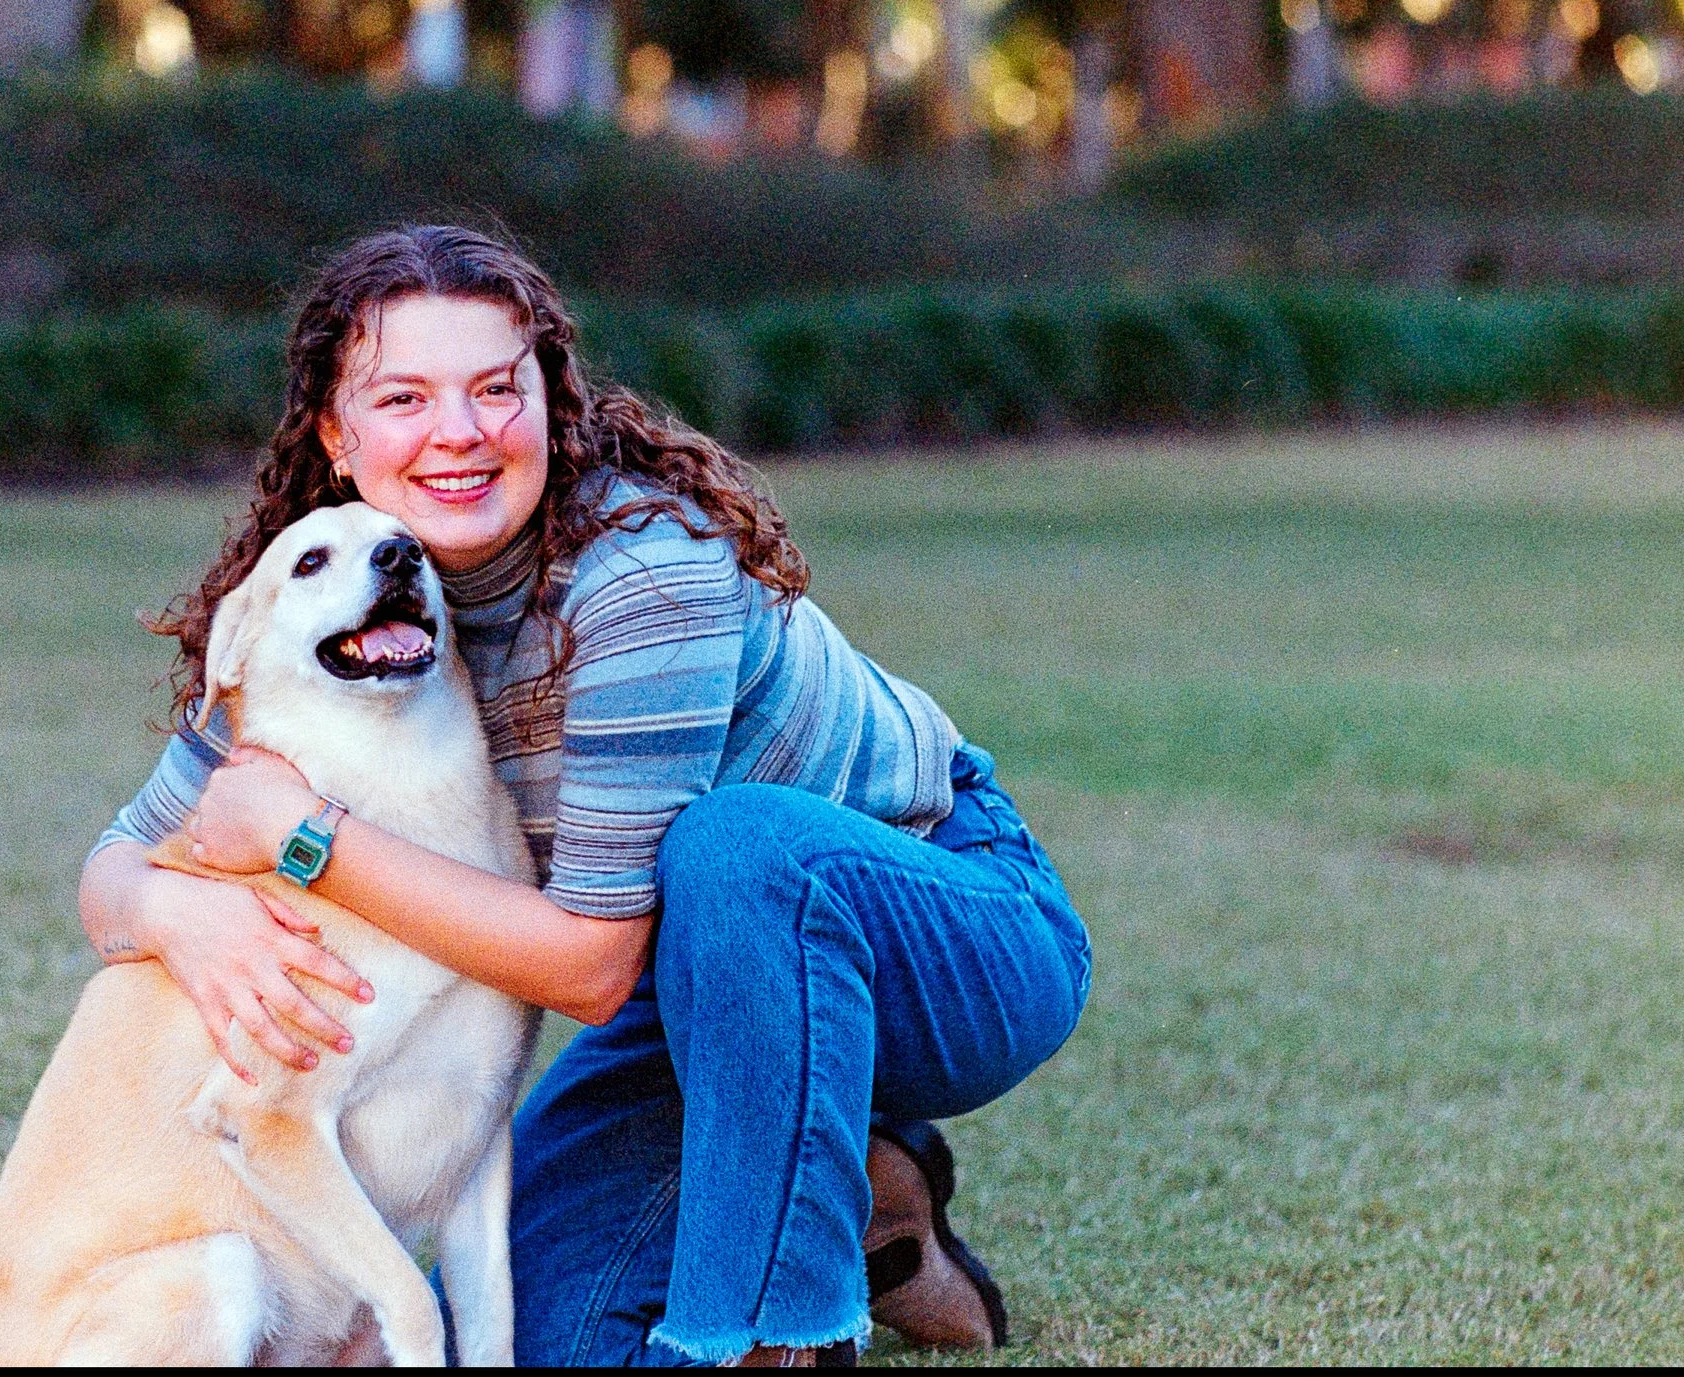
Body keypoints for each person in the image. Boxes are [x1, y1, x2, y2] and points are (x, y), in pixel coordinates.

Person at [80, 225, 1092, 1365]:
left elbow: (590, 964)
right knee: (524, 1334)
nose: (456, 433)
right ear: (338, 432)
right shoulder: (325, 602)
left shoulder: (638, 576)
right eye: (404, 396)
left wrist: (304, 837)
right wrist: (179, 910)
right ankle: (870, 1196)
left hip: (955, 920)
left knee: (737, 848)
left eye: (493, 390)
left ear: (548, 404)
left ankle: (767, 1337)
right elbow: (119, 864)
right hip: (709, 988)